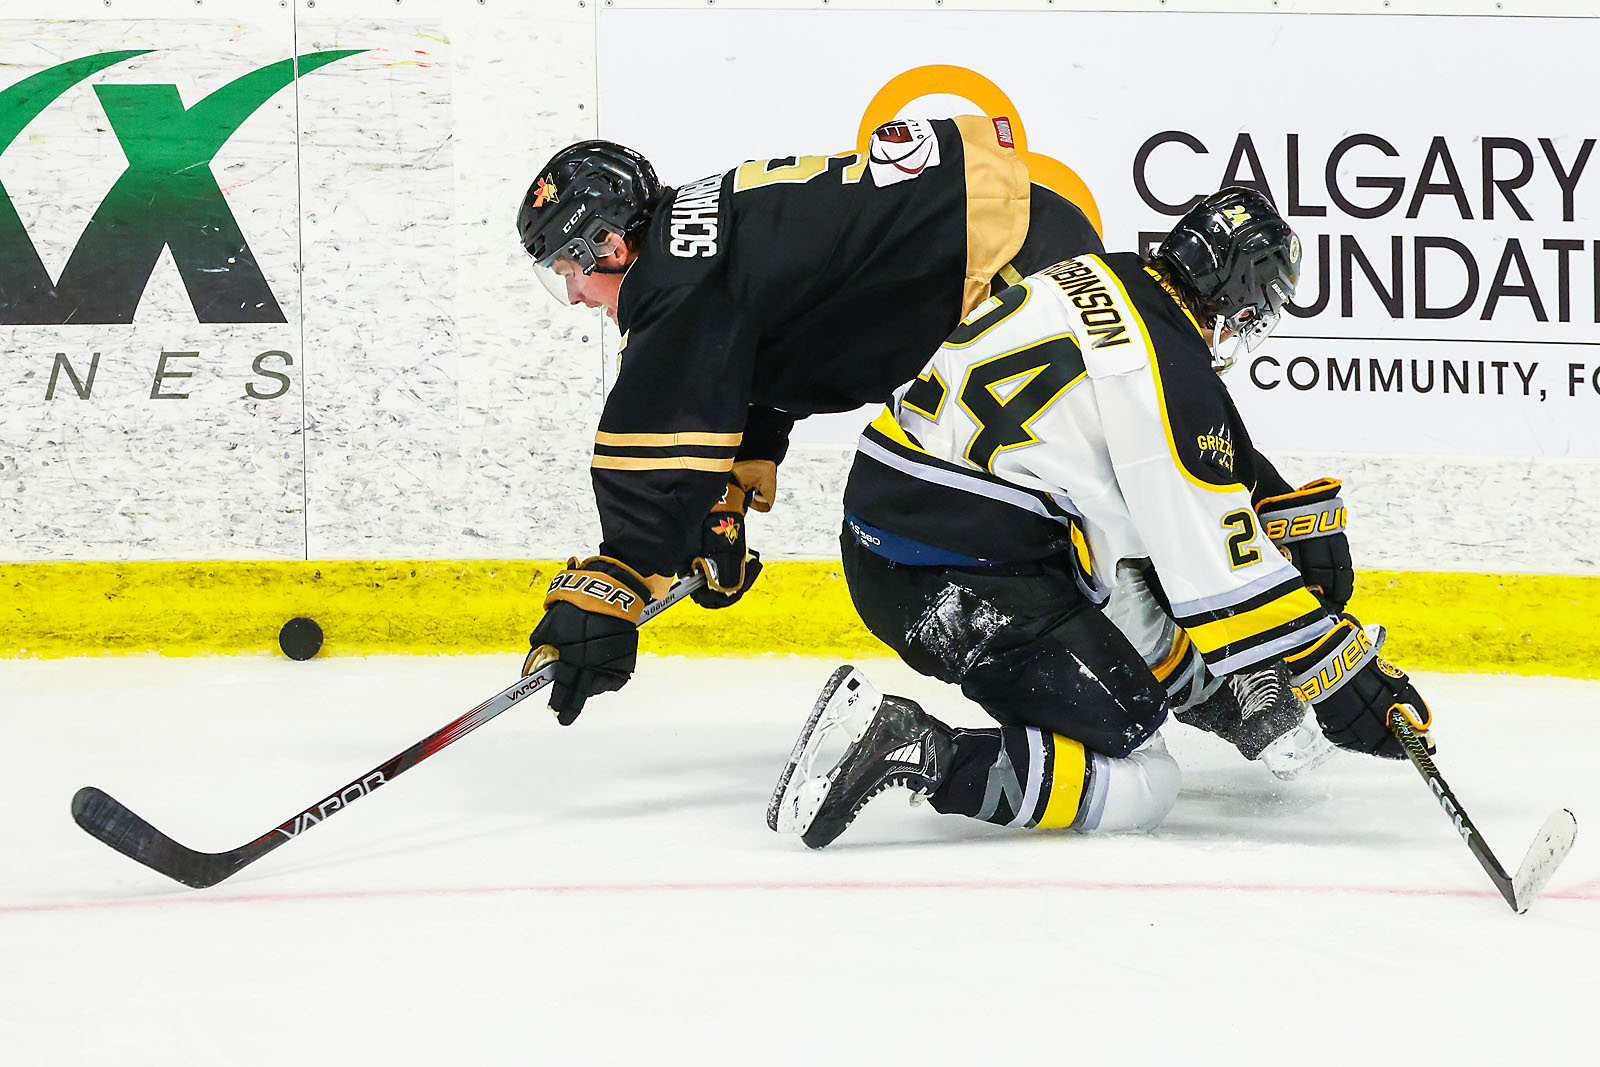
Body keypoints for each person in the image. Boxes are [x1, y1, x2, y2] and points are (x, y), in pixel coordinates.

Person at [768, 187, 1434, 849]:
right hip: (953, 581)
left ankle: (1206, 695)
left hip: (891, 534)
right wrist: (1348, 678)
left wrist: (1265, 492)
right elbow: (1215, 571)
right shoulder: (1169, 377)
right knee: (1141, 775)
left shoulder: (1103, 272)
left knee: (1112, 591)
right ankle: (918, 750)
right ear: (1241, 297)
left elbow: (1135, 520)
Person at [515, 118, 1104, 724]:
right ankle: (1125, 654)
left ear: (610, 247)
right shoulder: (699, 245)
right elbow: (789, 334)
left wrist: (617, 579)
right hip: (1026, 244)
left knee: (901, 537)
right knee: (997, 503)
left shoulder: (676, 279)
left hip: (1012, 276)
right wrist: (733, 478)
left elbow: (654, 441)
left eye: (568, 272)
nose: (578, 298)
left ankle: (1098, 692)